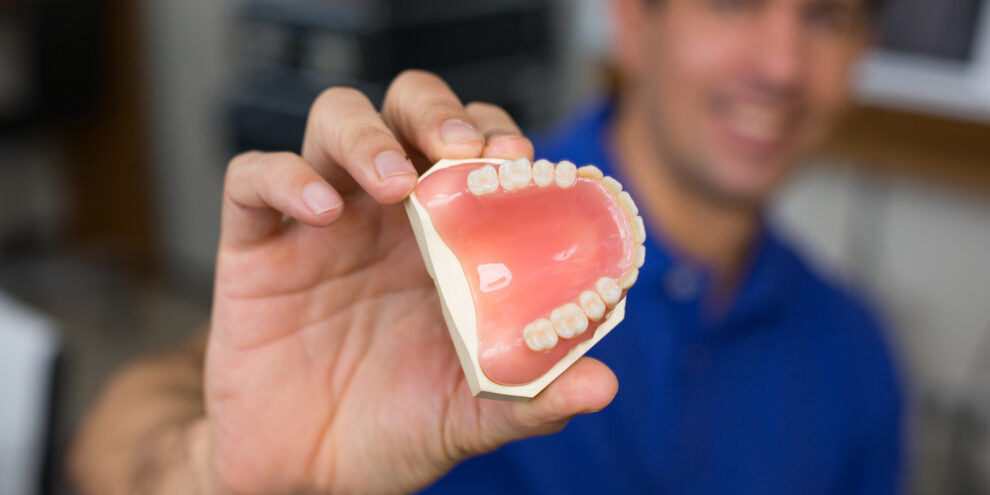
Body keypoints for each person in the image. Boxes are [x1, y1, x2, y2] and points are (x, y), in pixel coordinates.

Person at [70, 0, 904, 493]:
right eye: (734, 1)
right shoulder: (411, 242)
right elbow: (108, 440)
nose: (783, 66)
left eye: (827, 16)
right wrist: (216, 471)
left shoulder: (861, 357)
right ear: (631, 20)